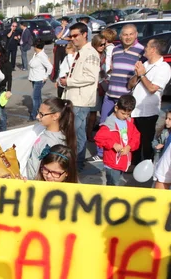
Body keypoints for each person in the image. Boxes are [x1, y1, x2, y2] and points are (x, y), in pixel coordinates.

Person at [12, 144, 77, 279]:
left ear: (66, 174)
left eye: (56, 173)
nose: (49, 176)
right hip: (33, 255)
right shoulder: (33, 186)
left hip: (59, 258)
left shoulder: (77, 193)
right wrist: (17, 188)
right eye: (45, 170)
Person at [60, 22, 100, 171]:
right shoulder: (81, 51)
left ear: (85, 34)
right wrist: (66, 80)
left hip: (80, 100)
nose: (73, 39)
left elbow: (90, 77)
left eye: (76, 35)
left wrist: (68, 81)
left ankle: (74, 163)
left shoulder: (90, 53)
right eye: (71, 36)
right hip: (75, 98)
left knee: (73, 134)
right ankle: (78, 162)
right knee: (80, 133)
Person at [128, 38, 171, 166]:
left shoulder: (164, 68)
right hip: (135, 111)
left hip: (148, 113)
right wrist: (137, 74)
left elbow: (152, 88)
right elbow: (130, 85)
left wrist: (142, 75)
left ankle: (147, 167)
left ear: (153, 49)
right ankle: (134, 164)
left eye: (147, 46)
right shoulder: (145, 64)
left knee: (147, 143)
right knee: (134, 140)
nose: (144, 49)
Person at [25, 98, 77, 180]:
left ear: (55, 116)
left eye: (41, 114)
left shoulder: (52, 143)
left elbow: (48, 172)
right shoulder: (45, 132)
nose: (37, 116)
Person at [101, 24, 144, 124]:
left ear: (136, 35)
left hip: (125, 98)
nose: (128, 37)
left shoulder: (141, 51)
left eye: (131, 34)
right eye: (125, 34)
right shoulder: (116, 49)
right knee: (104, 124)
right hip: (110, 95)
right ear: (120, 36)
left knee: (121, 128)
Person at [95, 95, 140, 186]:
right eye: (123, 113)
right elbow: (99, 138)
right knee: (113, 185)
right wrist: (113, 144)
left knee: (116, 183)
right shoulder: (108, 125)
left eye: (128, 114)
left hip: (123, 161)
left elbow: (136, 137)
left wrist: (129, 146)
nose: (125, 116)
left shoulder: (129, 123)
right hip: (112, 162)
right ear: (116, 108)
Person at [28, 40, 52, 121]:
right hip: (34, 78)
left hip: (39, 79)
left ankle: (34, 115)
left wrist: (45, 76)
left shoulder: (42, 56)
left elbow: (50, 67)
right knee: (38, 97)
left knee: (35, 97)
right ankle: (41, 112)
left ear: (36, 47)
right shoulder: (36, 54)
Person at [52, 17, 71, 82]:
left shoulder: (68, 29)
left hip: (65, 46)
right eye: (65, 21)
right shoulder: (58, 28)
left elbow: (70, 38)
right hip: (58, 47)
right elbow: (58, 36)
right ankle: (55, 76)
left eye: (67, 22)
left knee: (64, 62)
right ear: (62, 21)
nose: (66, 23)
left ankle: (63, 76)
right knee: (56, 62)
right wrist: (63, 29)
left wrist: (64, 38)